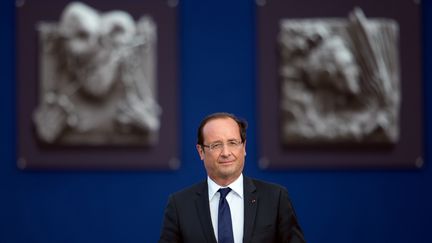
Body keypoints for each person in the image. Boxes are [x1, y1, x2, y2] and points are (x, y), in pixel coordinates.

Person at [159, 112, 306, 243]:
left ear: (244, 147)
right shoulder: (180, 205)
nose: (226, 152)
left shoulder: (275, 198)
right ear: (201, 152)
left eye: (233, 143)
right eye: (216, 145)